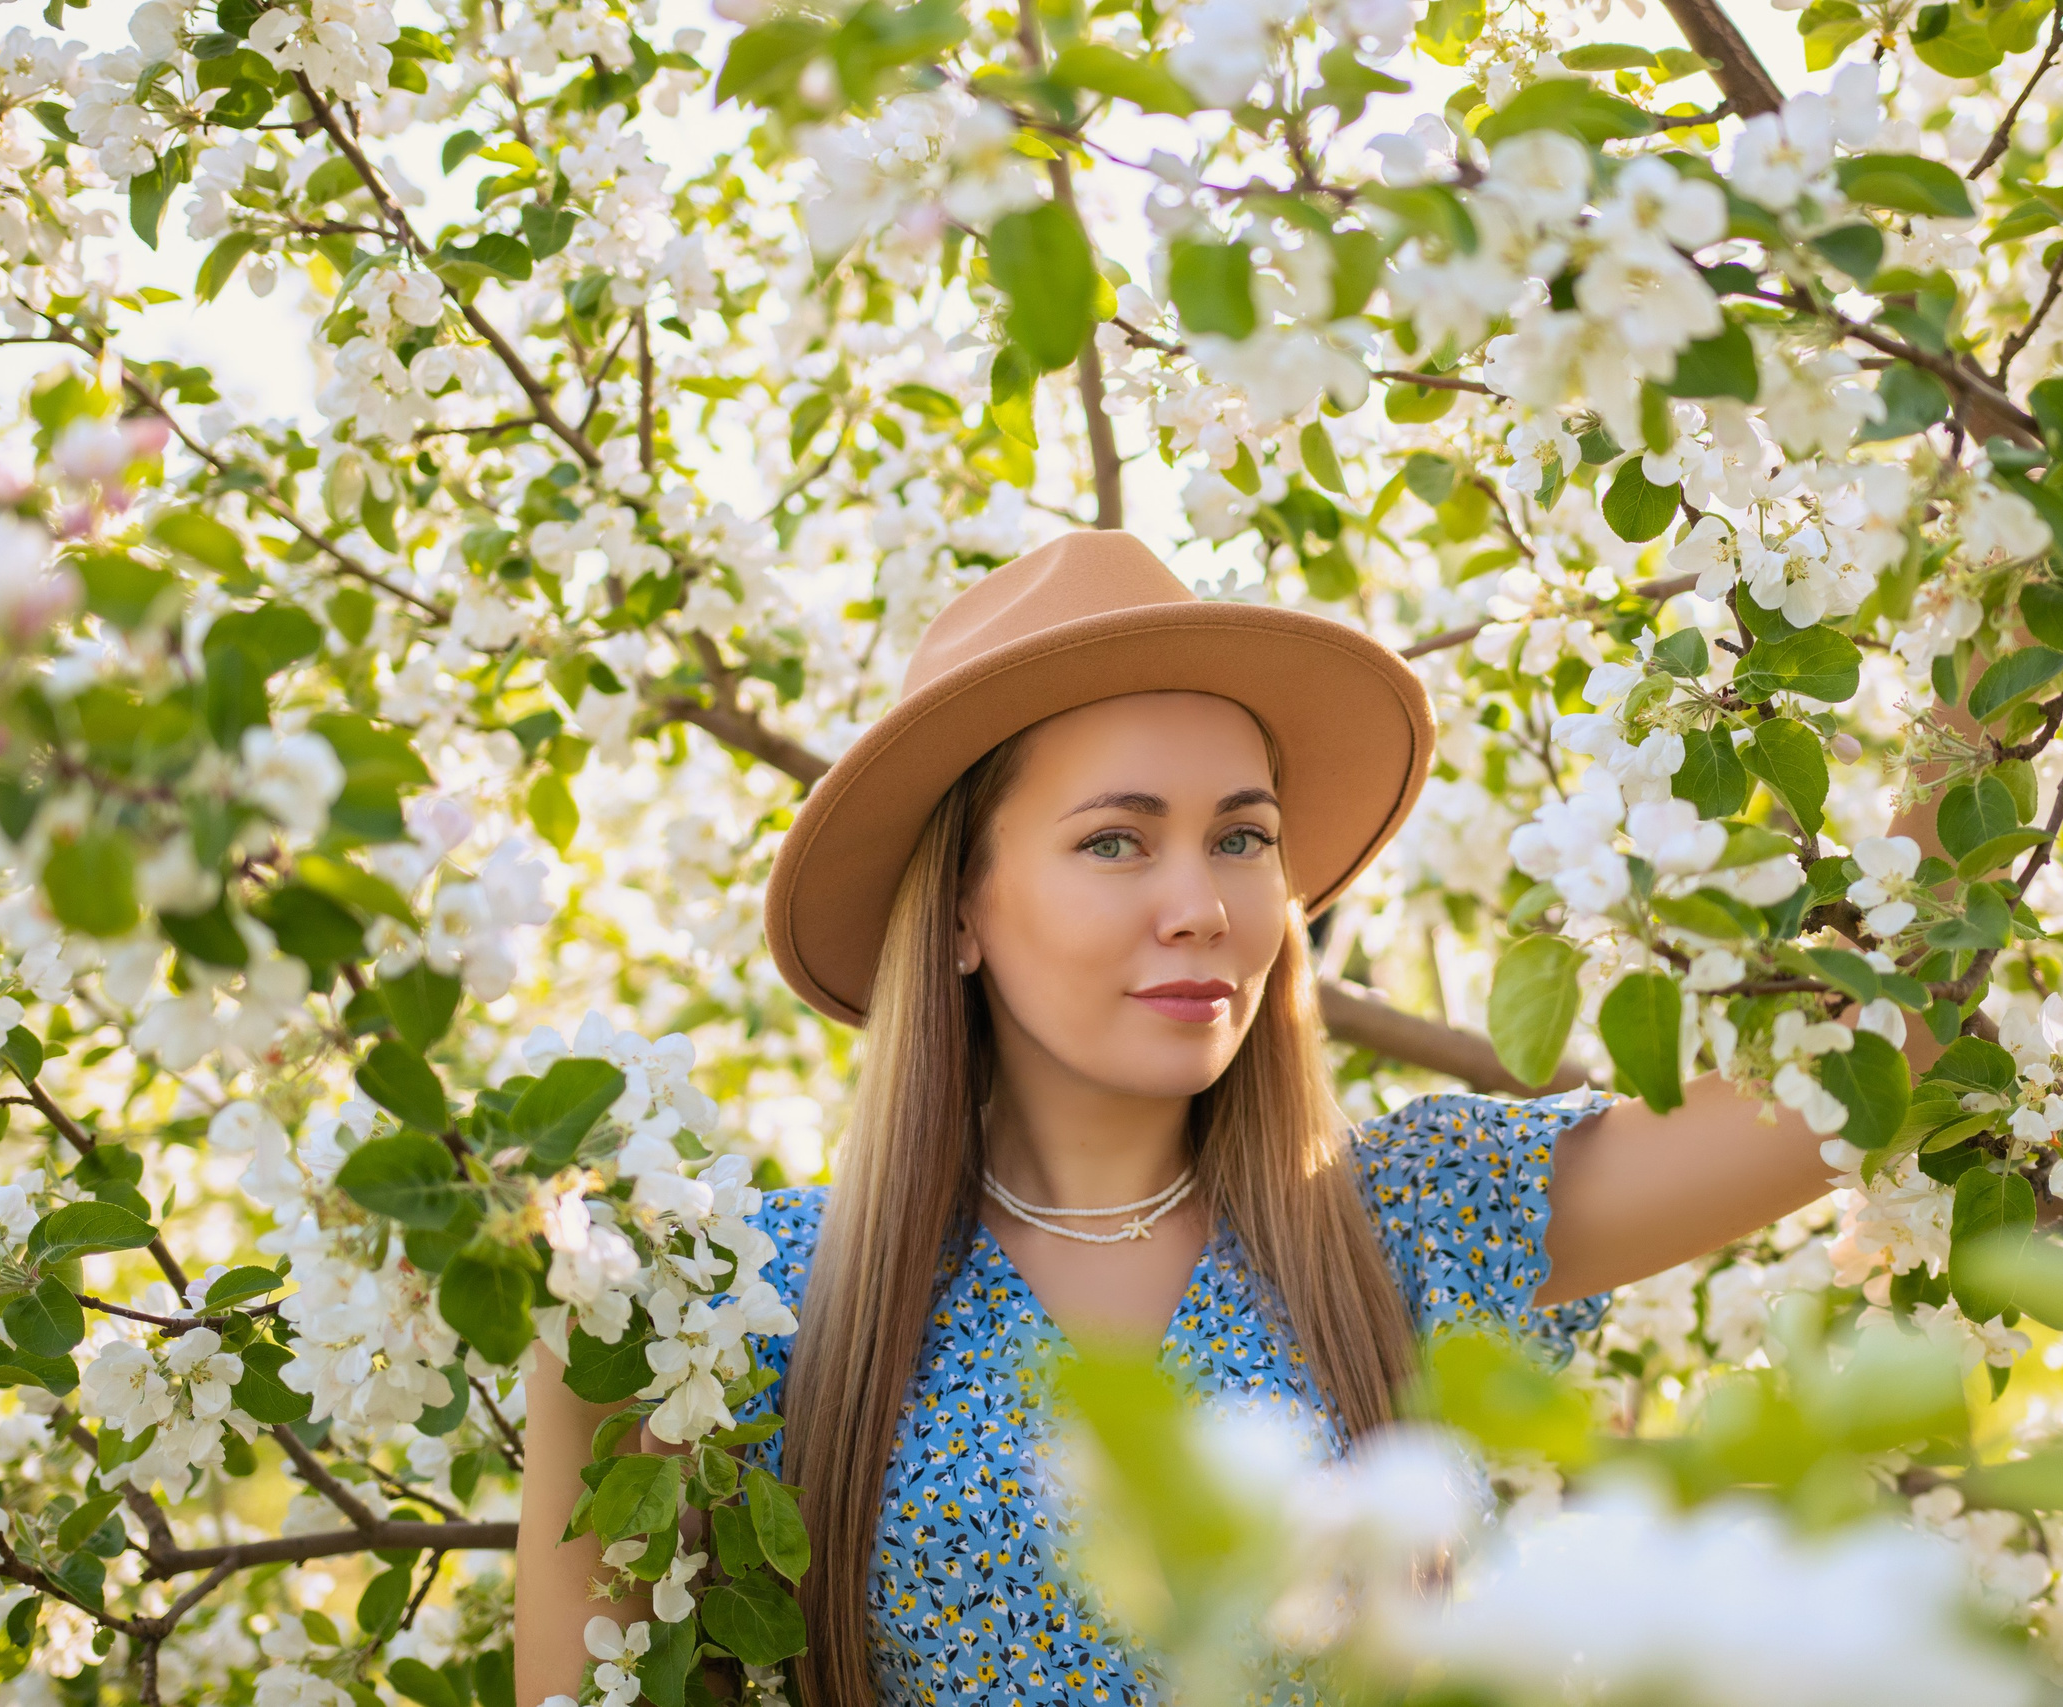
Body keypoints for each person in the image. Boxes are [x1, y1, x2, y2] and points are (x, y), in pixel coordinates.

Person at [515, 531, 1939, 1706]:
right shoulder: (749, 1307)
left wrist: (1996, 638)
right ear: (960, 911)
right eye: (1116, 840)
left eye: (1243, 838)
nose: (1201, 902)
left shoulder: (1414, 1223)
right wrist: (572, 1323)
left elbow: (1866, 1072)